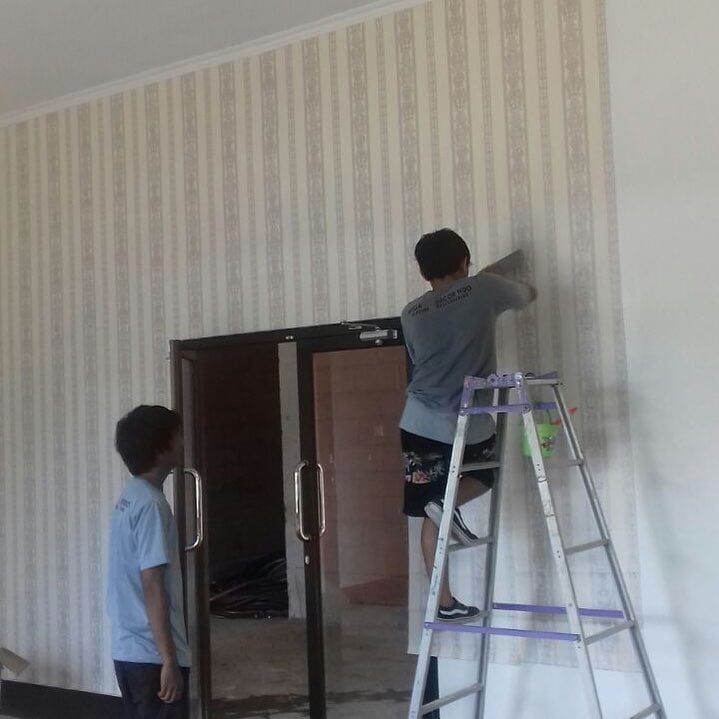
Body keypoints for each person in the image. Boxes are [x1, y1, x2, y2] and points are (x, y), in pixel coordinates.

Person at [400, 228, 536, 621]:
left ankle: (443, 603)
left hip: (418, 421)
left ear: (423, 272)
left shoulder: (411, 311)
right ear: (465, 261)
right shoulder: (484, 288)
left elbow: (420, 356)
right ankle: (447, 503)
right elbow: (526, 295)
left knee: (432, 509)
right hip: (464, 420)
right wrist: (495, 278)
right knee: (485, 474)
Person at [107, 405, 191, 719]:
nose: (182, 442)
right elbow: (152, 582)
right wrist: (169, 660)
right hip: (151, 656)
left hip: (129, 651)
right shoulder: (152, 506)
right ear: (160, 448)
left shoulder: (131, 496)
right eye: (178, 436)